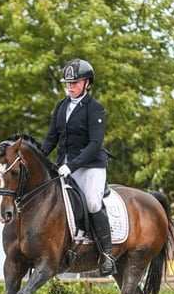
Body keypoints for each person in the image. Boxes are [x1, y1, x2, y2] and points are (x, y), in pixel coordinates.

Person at [40, 58, 117, 276]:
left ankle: (107, 254)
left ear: (87, 83)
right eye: (68, 83)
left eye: (75, 82)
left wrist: (71, 166)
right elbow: (50, 139)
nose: (70, 86)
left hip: (90, 165)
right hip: (63, 164)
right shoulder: (61, 106)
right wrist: (37, 157)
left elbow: (95, 145)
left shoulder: (95, 108)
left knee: (92, 203)